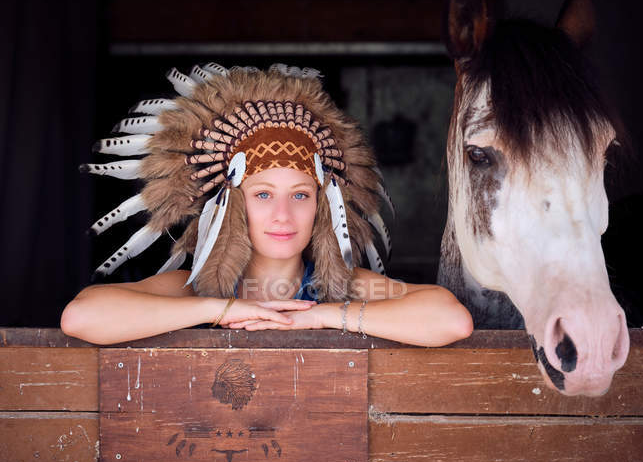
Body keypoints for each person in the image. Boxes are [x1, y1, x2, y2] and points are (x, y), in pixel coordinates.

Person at [60, 63, 472, 346]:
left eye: (300, 194)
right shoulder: (189, 289)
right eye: (262, 195)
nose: (282, 214)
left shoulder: (348, 288)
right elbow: (81, 317)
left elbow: (450, 319)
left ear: (320, 206)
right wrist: (222, 308)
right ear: (232, 204)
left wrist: (319, 315)